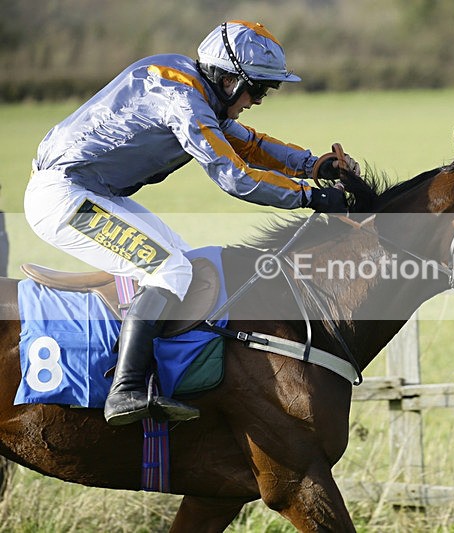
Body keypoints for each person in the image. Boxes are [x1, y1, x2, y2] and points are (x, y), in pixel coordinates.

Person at [24, 20, 359, 426]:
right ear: (230, 79)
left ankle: (153, 379)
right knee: (170, 270)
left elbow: (248, 144)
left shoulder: (194, 88)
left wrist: (312, 166)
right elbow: (234, 176)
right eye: (258, 89)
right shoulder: (183, 100)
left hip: (92, 192)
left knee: (187, 268)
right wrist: (310, 196)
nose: (258, 100)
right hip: (64, 197)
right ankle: (125, 390)